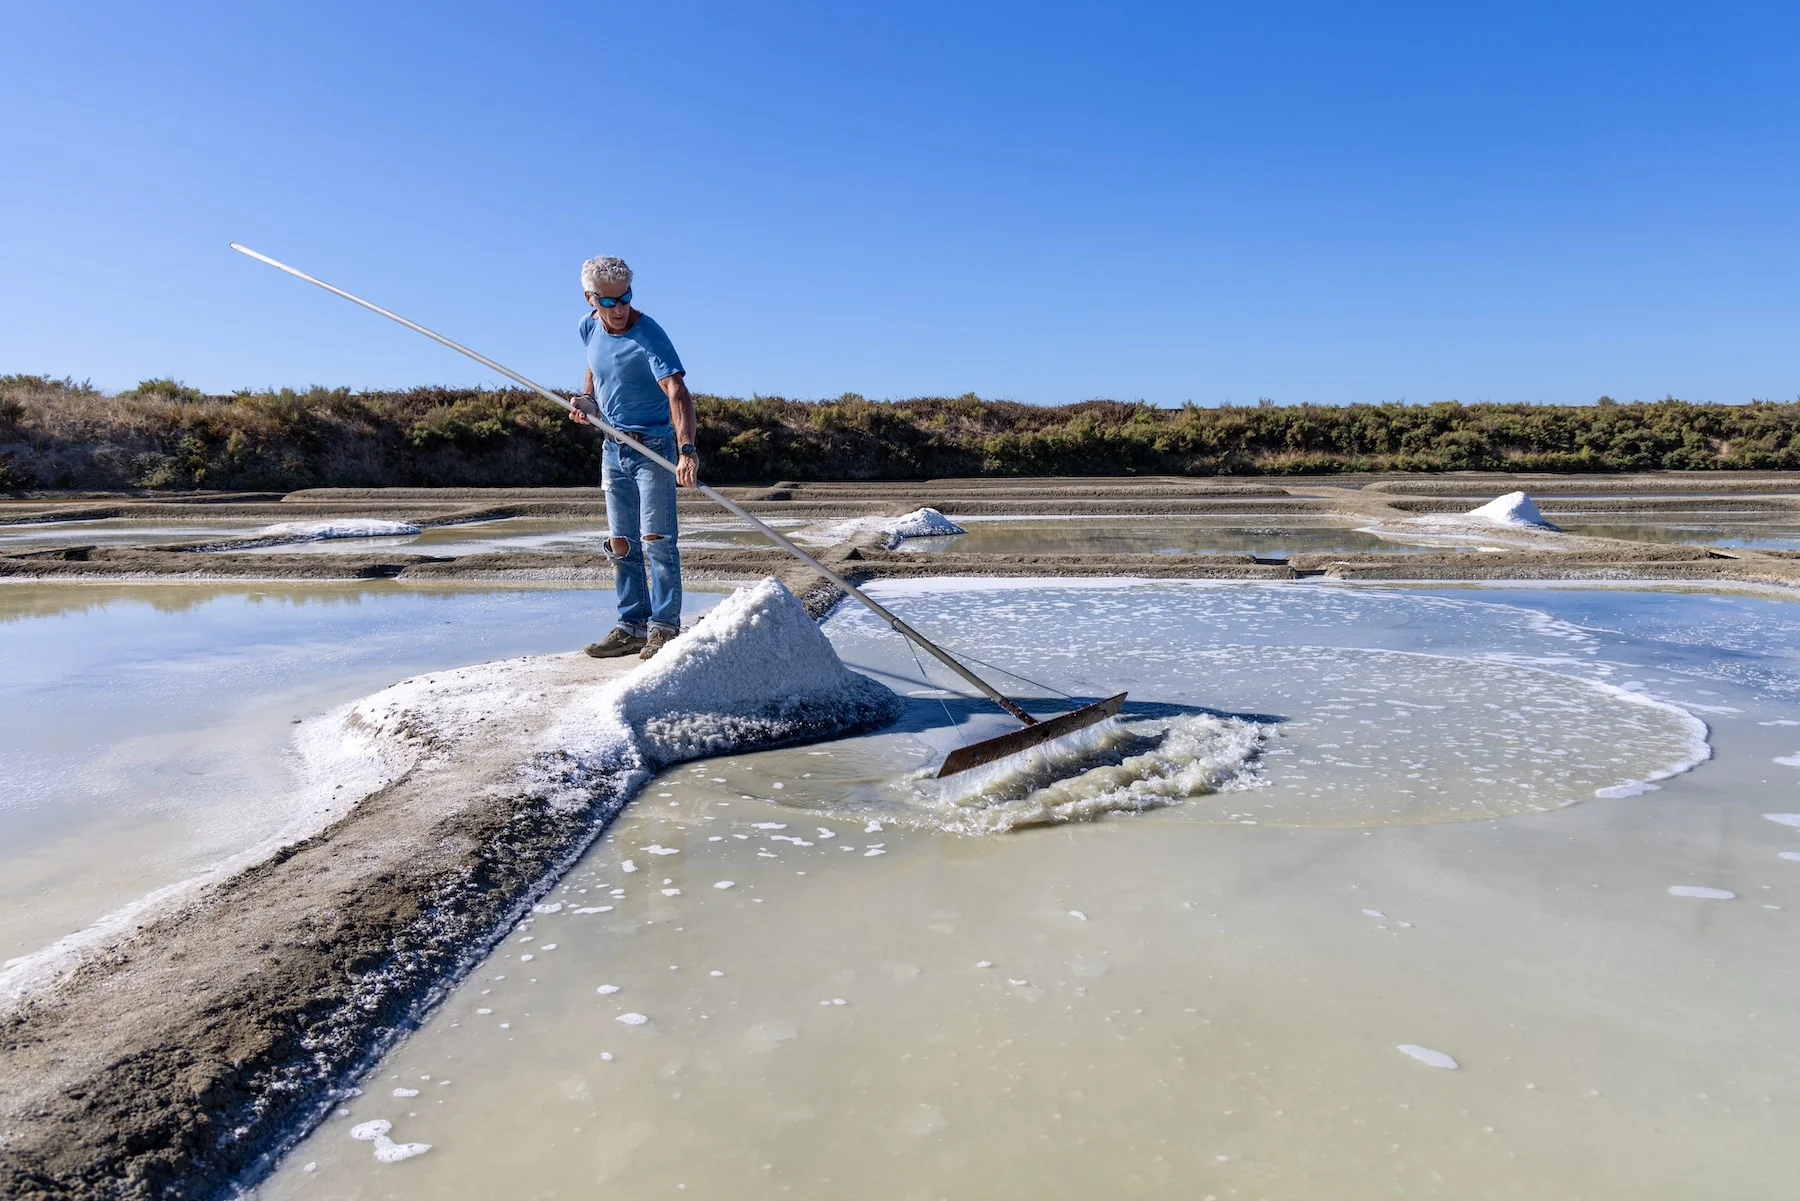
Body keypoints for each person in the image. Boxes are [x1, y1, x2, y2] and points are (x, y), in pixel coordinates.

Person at [569, 255, 699, 660]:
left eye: (625, 299)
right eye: (609, 303)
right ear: (590, 299)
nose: (619, 310)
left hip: (654, 449)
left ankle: (664, 628)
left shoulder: (649, 335)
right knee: (621, 543)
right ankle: (631, 626)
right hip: (613, 448)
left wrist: (687, 451)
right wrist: (589, 402)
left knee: (657, 541)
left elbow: (677, 392)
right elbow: (594, 364)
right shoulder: (588, 326)